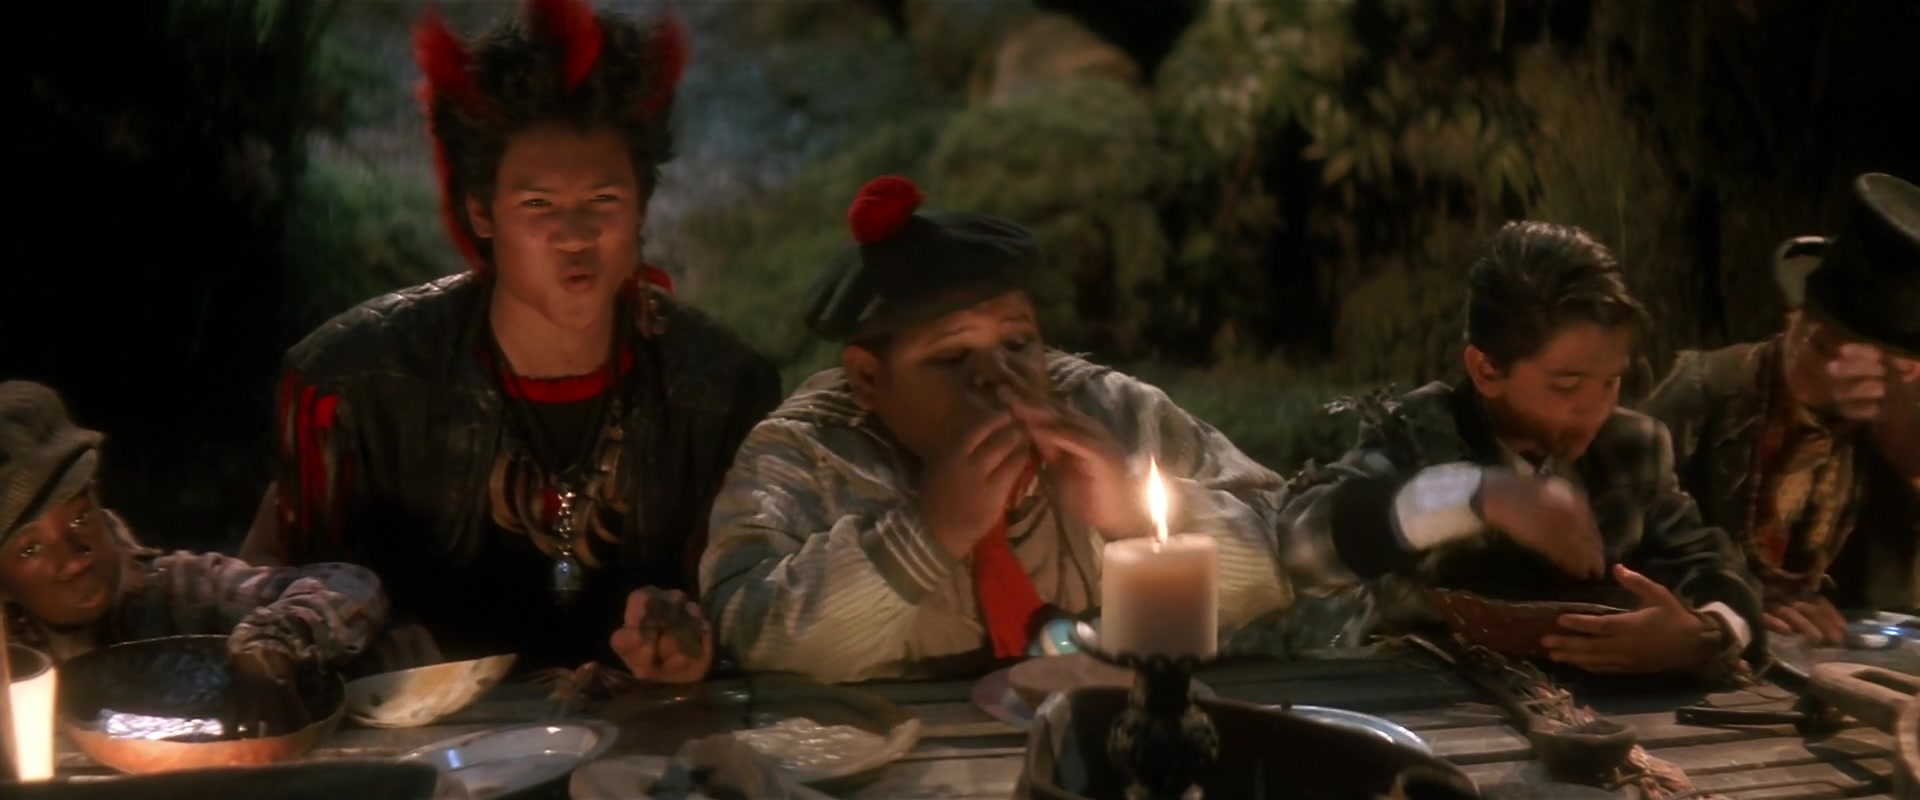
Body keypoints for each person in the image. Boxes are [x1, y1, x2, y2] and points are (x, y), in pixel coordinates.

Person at [238, 0, 781, 683]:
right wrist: (361, 644)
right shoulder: (355, 390)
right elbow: (262, 589)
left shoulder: (721, 390)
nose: (575, 235)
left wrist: (696, 645)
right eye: (538, 205)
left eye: (603, 201)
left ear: (641, 207)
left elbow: (758, 616)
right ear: (480, 212)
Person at [698, 176, 1291, 683]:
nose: (998, 379)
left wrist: (1134, 512)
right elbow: (748, 635)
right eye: (953, 357)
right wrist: (926, 534)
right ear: (868, 377)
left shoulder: (1112, 413)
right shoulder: (805, 455)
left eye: (1018, 343)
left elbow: (1282, 553)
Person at [1272, 221, 1767, 682]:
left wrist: (1704, 635)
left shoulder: (1632, 447)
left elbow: (1716, 566)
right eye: (1567, 384)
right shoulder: (1419, 433)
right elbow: (1298, 548)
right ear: (1487, 370)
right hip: (1422, 703)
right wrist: (1478, 495)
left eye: (1611, 381)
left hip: (1586, 714)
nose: (1595, 408)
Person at [1, 381, 388, 733]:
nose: (73, 560)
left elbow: (352, 585)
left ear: (97, 499)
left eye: (80, 517)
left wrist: (271, 644)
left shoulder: (177, 591)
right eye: (30, 549)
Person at [1641, 172, 1920, 645]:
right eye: (1810, 320)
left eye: (1841, 344)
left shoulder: (1888, 440)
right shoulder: (1705, 390)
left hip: (1827, 664)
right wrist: (1742, 598)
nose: (1811, 343)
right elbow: (1619, 528)